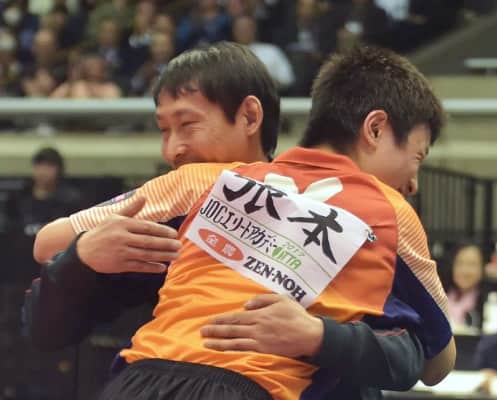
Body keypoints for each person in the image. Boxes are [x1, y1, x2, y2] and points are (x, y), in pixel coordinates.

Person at [32, 45, 455, 399]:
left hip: (139, 381)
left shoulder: (205, 181)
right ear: (374, 129)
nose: (413, 182)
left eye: (187, 124)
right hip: (238, 384)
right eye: (416, 158)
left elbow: (48, 240)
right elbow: (438, 359)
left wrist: (320, 336)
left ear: (252, 117)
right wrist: (81, 258)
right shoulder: (390, 212)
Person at [445, 242, 485, 331]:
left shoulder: (490, 301)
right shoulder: (439, 295)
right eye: (460, 263)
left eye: (472, 264)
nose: (465, 270)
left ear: (483, 267)